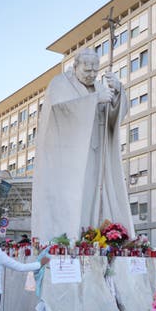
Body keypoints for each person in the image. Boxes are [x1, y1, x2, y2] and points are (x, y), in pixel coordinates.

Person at [31, 48, 133, 242]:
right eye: (87, 71)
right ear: (75, 66)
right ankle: (69, 239)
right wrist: (94, 100)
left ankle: (92, 238)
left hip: (95, 154)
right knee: (75, 198)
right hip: (70, 160)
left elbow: (113, 117)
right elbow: (60, 111)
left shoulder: (98, 87)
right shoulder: (60, 83)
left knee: (94, 199)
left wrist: (118, 92)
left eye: (95, 71)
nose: (92, 75)